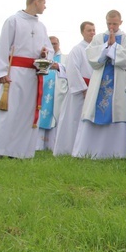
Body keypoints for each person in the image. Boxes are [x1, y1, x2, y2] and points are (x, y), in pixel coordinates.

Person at [0, 0, 54, 159]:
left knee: (25, 113)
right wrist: (1, 72)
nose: (45, 6)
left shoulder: (41, 26)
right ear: (36, 1)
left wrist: (45, 54)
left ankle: (18, 151)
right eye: (43, 3)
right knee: (7, 111)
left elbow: (49, 49)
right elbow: (2, 47)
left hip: (32, 75)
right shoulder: (13, 21)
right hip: (13, 73)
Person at [72, 11, 126, 159]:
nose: (112, 27)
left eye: (115, 23)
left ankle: (114, 152)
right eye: (109, 23)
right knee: (93, 111)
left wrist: (114, 48)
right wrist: (107, 46)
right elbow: (92, 57)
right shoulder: (98, 38)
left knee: (117, 111)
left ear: (121, 22)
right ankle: (87, 150)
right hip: (99, 79)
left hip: (119, 81)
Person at [53, 21, 95, 156]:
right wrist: (83, 88)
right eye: (89, 30)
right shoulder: (77, 49)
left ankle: (85, 149)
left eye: (94, 30)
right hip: (80, 90)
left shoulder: (96, 49)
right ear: (82, 32)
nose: (92, 33)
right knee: (73, 119)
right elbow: (72, 70)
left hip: (92, 89)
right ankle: (67, 148)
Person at [36, 36, 68, 151]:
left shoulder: (65, 58)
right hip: (43, 92)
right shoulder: (42, 58)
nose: (53, 46)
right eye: (51, 44)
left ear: (59, 44)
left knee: (56, 115)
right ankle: (38, 145)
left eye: (55, 43)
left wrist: (59, 66)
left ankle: (53, 145)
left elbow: (69, 70)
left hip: (57, 92)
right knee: (41, 115)